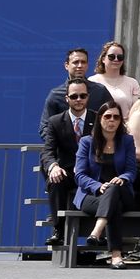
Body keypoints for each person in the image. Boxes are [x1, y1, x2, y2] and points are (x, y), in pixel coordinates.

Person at [73, 100, 137, 268]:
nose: (112, 121)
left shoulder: (127, 141)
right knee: (113, 204)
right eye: (108, 116)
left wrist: (123, 178)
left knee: (114, 187)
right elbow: (79, 175)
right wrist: (97, 186)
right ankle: (116, 255)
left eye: (116, 117)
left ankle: (97, 230)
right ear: (100, 118)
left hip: (123, 192)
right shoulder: (87, 142)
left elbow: (132, 170)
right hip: (91, 195)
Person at [39, 77, 94, 247]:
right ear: (67, 98)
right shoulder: (55, 122)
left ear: (88, 97)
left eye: (82, 96)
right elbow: (47, 151)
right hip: (67, 171)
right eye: (74, 96)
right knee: (56, 181)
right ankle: (59, 230)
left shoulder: (99, 119)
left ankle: (101, 233)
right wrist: (53, 166)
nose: (79, 100)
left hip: (93, 171)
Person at [45, 47, 110, 118]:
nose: (80, 66)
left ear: (87, 65)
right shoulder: (56, 95)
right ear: (66, 65)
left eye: (83, 62)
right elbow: (46, 126)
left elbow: (113, 115)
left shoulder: (100, 91)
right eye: (76, 62)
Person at [90, 40, 140, 113]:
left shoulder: (132, 83)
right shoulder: (93, 81)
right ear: (103, 59)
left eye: (120, 57)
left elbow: (137, 109)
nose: (116, 59)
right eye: (112, 56)